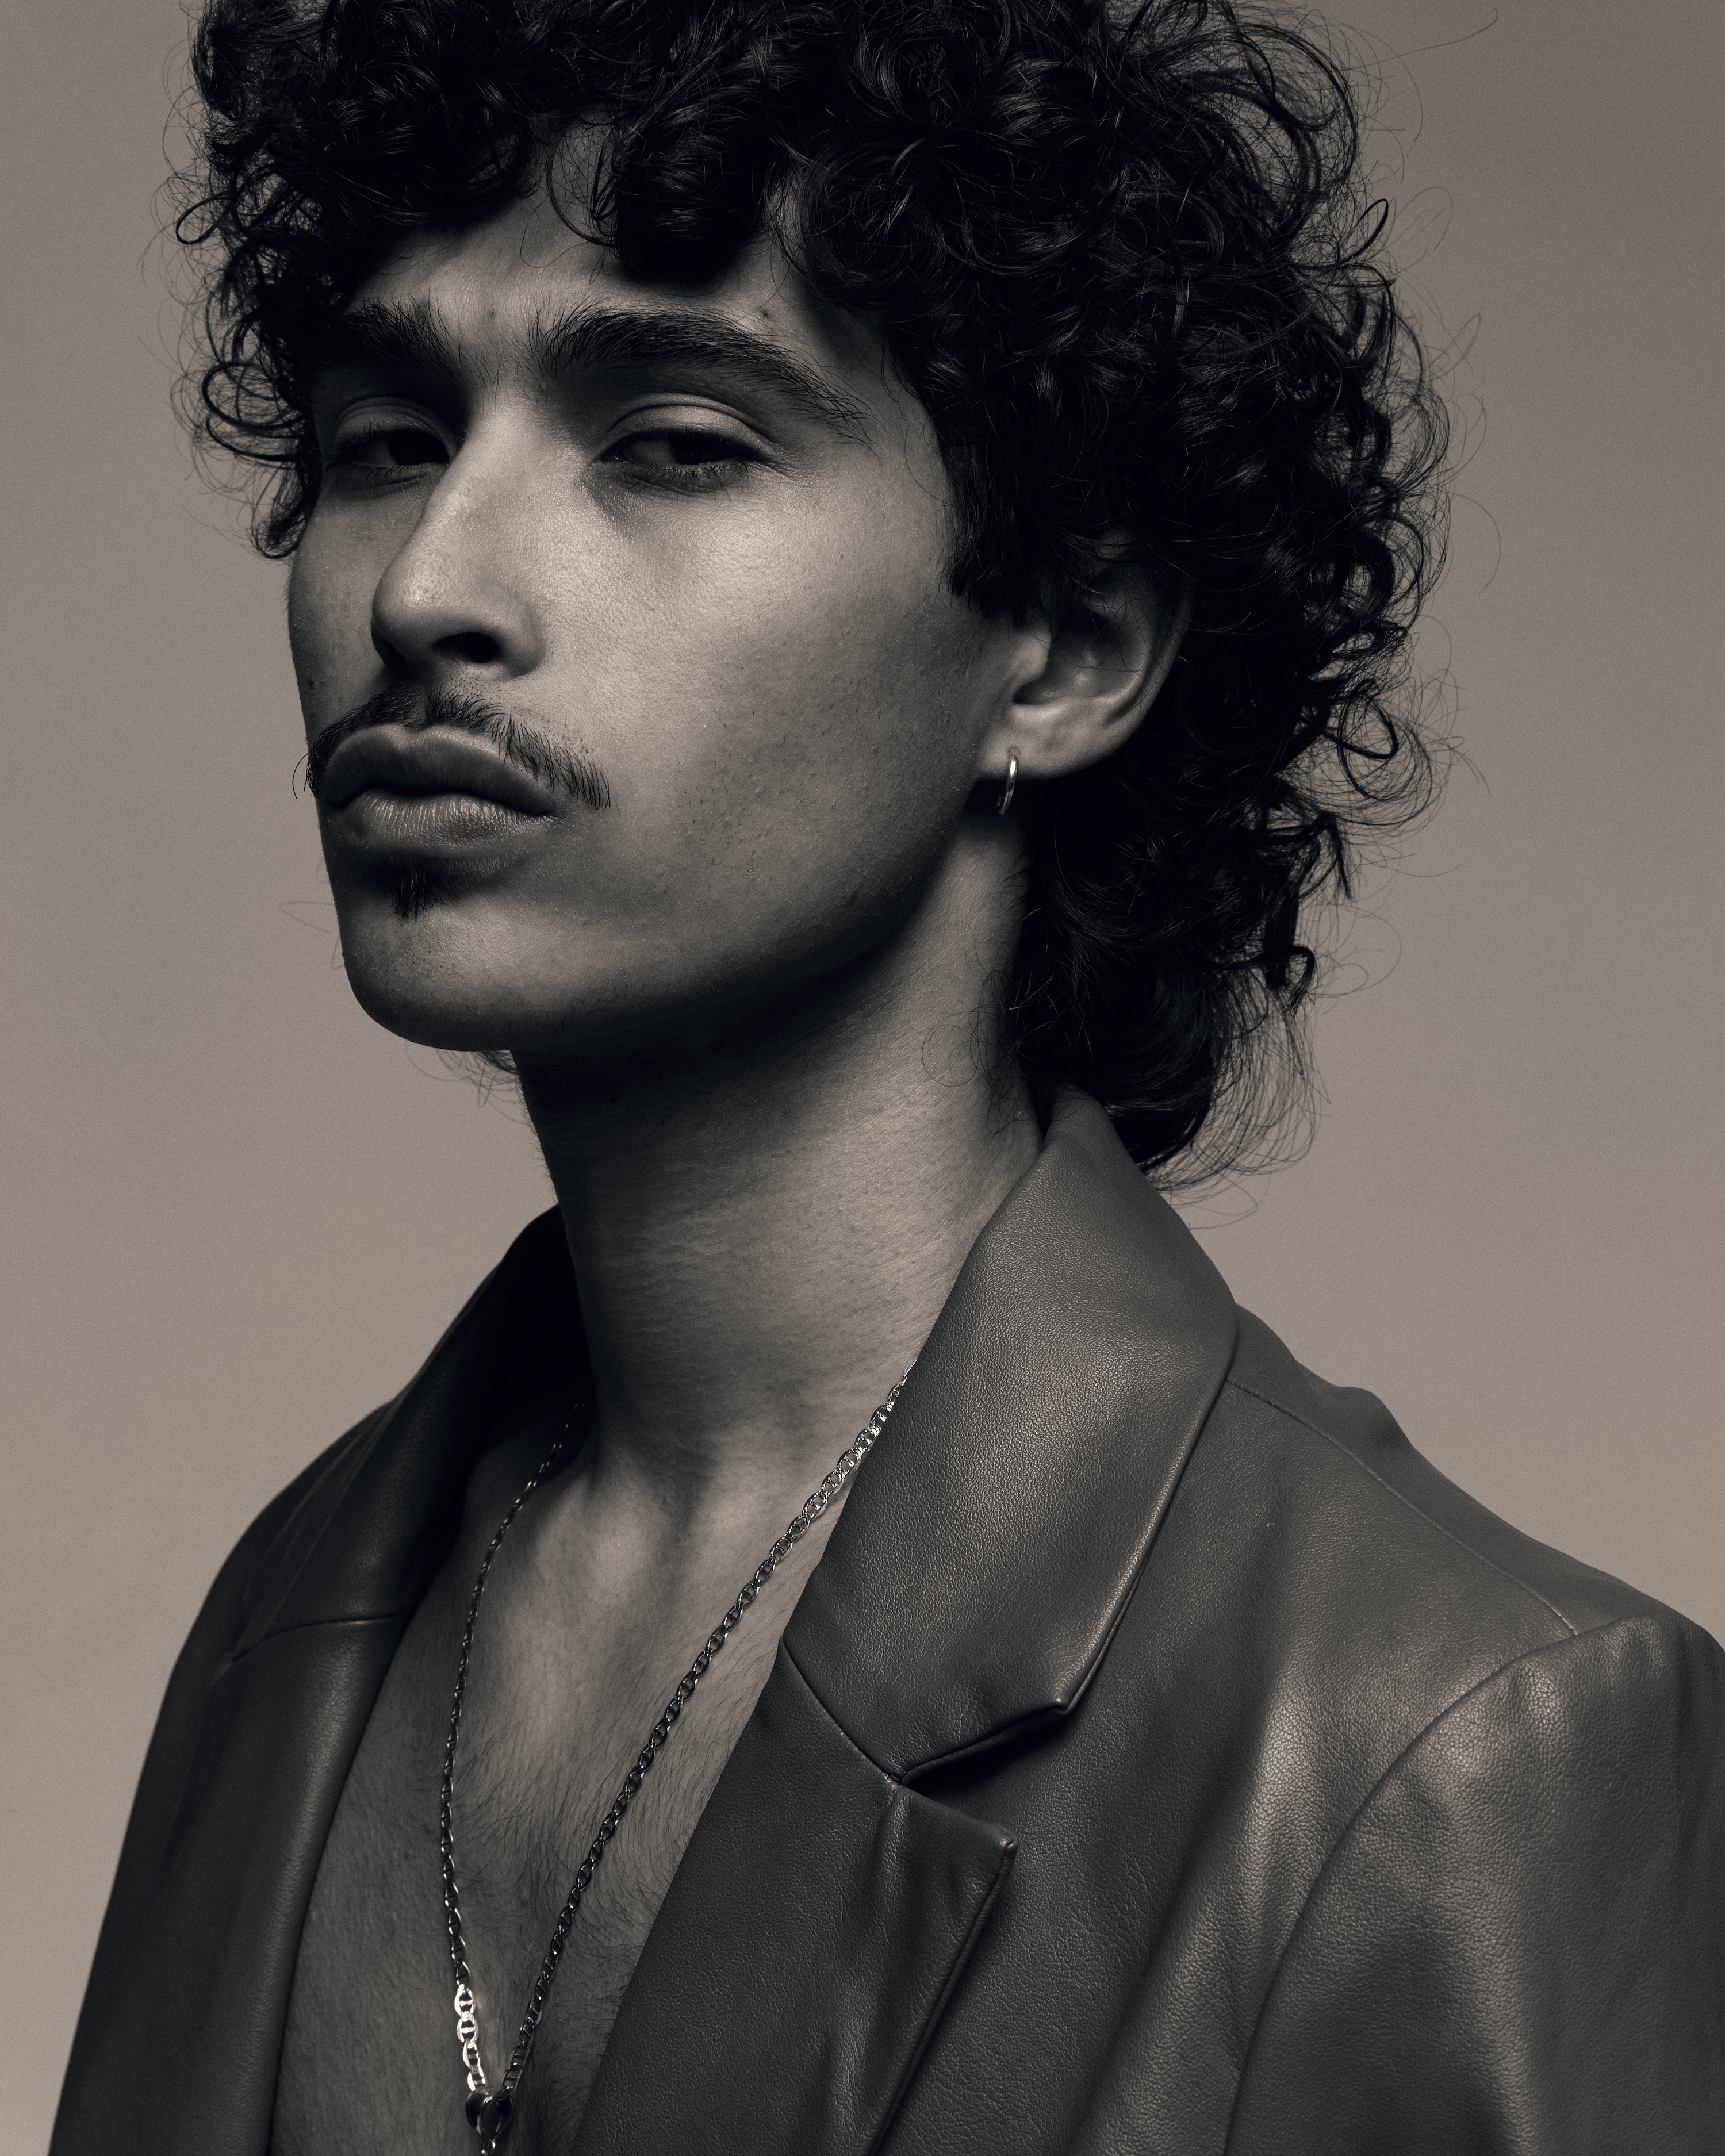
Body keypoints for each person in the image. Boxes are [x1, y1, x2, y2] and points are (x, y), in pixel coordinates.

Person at [51, 0, 1724, 2149]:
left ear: (1069, 652)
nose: (433, 588)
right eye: (388, 439)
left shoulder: (1463, 1746)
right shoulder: (291, 1626)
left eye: (672, 443)